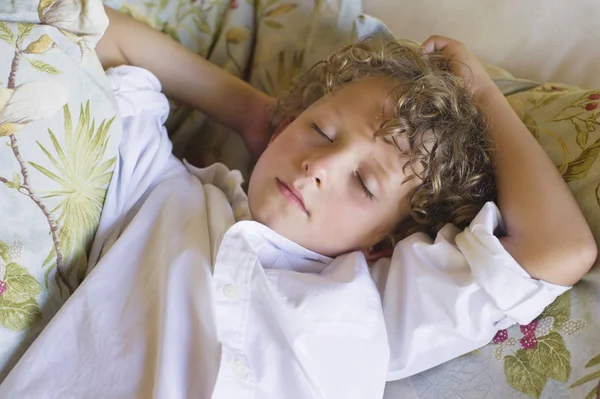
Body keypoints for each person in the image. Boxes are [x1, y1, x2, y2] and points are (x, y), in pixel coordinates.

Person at [0, 6, 596, 399]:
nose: (319, 168)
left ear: (385, 239)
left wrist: (480, 89)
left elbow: (558, 249)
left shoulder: (378, 305)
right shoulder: (163, 191)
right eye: (321, 130)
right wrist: (255, 114)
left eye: (365, 185)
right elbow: (90, 29)